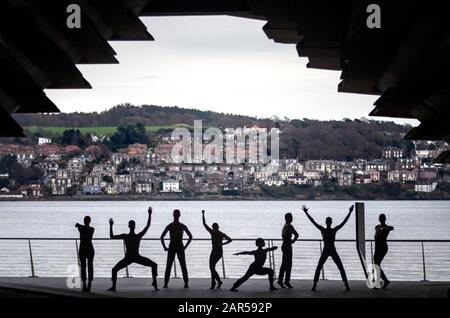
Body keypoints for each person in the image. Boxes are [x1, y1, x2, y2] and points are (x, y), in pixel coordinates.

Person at [302, 205, 353, 291]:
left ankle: (315, 285)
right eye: (328, 221)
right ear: (329, 222)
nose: (328, 222)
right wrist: (350, 212)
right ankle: (346, 285)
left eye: (328, 221)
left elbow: (313, 221)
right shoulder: (332, 230)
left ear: (327, 222)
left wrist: (306, 213)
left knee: (321, 267)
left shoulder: (324, 230)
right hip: (331, 250)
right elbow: (344, 222)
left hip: (328, 250)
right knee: (339, 267)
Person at [107, 207, 158, 291]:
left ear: (128, 226)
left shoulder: (126, 236)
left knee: (114, 270)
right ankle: (154, 283)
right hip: (136, 257)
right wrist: (149, 214)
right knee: (154, 265)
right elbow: (147, 226)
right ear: (134, 226)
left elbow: (112, 236)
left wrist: (111, 225)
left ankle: (113, 286)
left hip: (129, 258)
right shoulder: (138, 236)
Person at [161, 209, 193, 288]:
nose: (176, 216)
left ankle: (167, 283)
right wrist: (185, 246)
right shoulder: (179, 226)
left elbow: (162, 237)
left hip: (175, 245)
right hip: (177, 246)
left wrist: (165, 247)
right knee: (178, 265)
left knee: (172, 265)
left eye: (176, 215)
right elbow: (190, 237)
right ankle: (183, 283)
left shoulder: (172, 225)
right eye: (175, 215)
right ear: (178, 215)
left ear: (177, 215)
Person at [202, 210, 232, 289]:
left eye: (214, 227)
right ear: (217, 227)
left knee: (212, 267)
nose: (215, 228)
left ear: (215, 227)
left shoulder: (215, 233)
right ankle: (216, 282)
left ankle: (215, 282)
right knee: (212, 267)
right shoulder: (220, 233)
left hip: (217, 252)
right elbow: (230, 240)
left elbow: (204, 224)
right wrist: (222, 244)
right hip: (216, 251)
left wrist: (203, 214)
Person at [277, 213, 299, 288]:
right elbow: (297, 235)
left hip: (284, 245)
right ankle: (286, 281)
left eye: (291, 217)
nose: (291, 218)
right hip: (287, 246)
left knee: (284, 264)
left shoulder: (285, 226)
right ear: (287, 218)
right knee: (288, 264)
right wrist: (293, 241)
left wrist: (292, 241)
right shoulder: (289, 226)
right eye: (290, 217)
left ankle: (281, 280)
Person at [374, 213, 394, 289]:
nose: (381, 219)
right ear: (379, 219)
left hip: (382, 248)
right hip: (377, 247)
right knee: (376, 265)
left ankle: (379, 283)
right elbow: (377, 231)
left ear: (385, 219)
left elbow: (392, 228)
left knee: (377, 265)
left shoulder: (387, 228)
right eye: (380, 218)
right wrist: (382, 228)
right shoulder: (377, 227)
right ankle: (385, 280)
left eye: (382, 218)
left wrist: (385, 228)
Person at [75, 216, 95, 292]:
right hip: (89, 248)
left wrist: (79, 225)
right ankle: (89, 283)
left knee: (83, 267)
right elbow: (84, 227)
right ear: (90, 221)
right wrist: (79, 225)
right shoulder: (91, 229)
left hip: (83, 248)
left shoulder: (82, 228)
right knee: (89, 266)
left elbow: (78, 226)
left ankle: (85, 283)